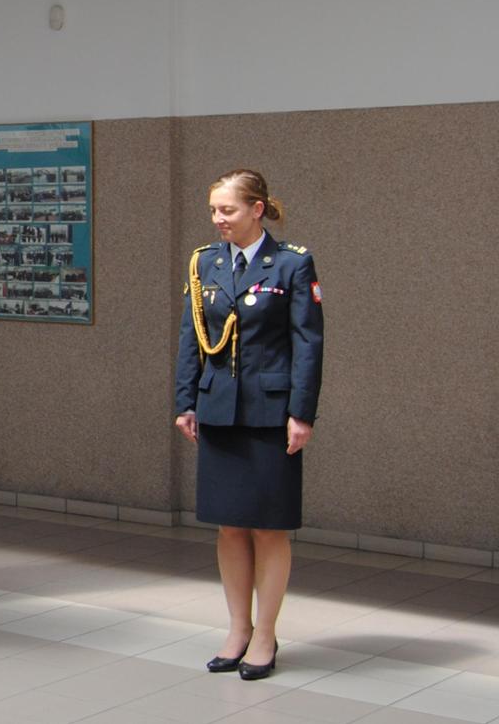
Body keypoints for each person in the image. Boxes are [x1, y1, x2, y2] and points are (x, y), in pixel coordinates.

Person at [174, 169, 322, 681]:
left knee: (269, 526)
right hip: (218, 411)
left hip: (270, 414)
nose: (218, 220)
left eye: (227, 210)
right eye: (214, 210)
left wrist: (301, 413)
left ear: (257, 209)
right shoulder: (203, 263)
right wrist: (185, 401)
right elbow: (191, 338)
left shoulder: (291, 264)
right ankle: (238, 629)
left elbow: (308, 344)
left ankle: (265, 635)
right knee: (230, 525)